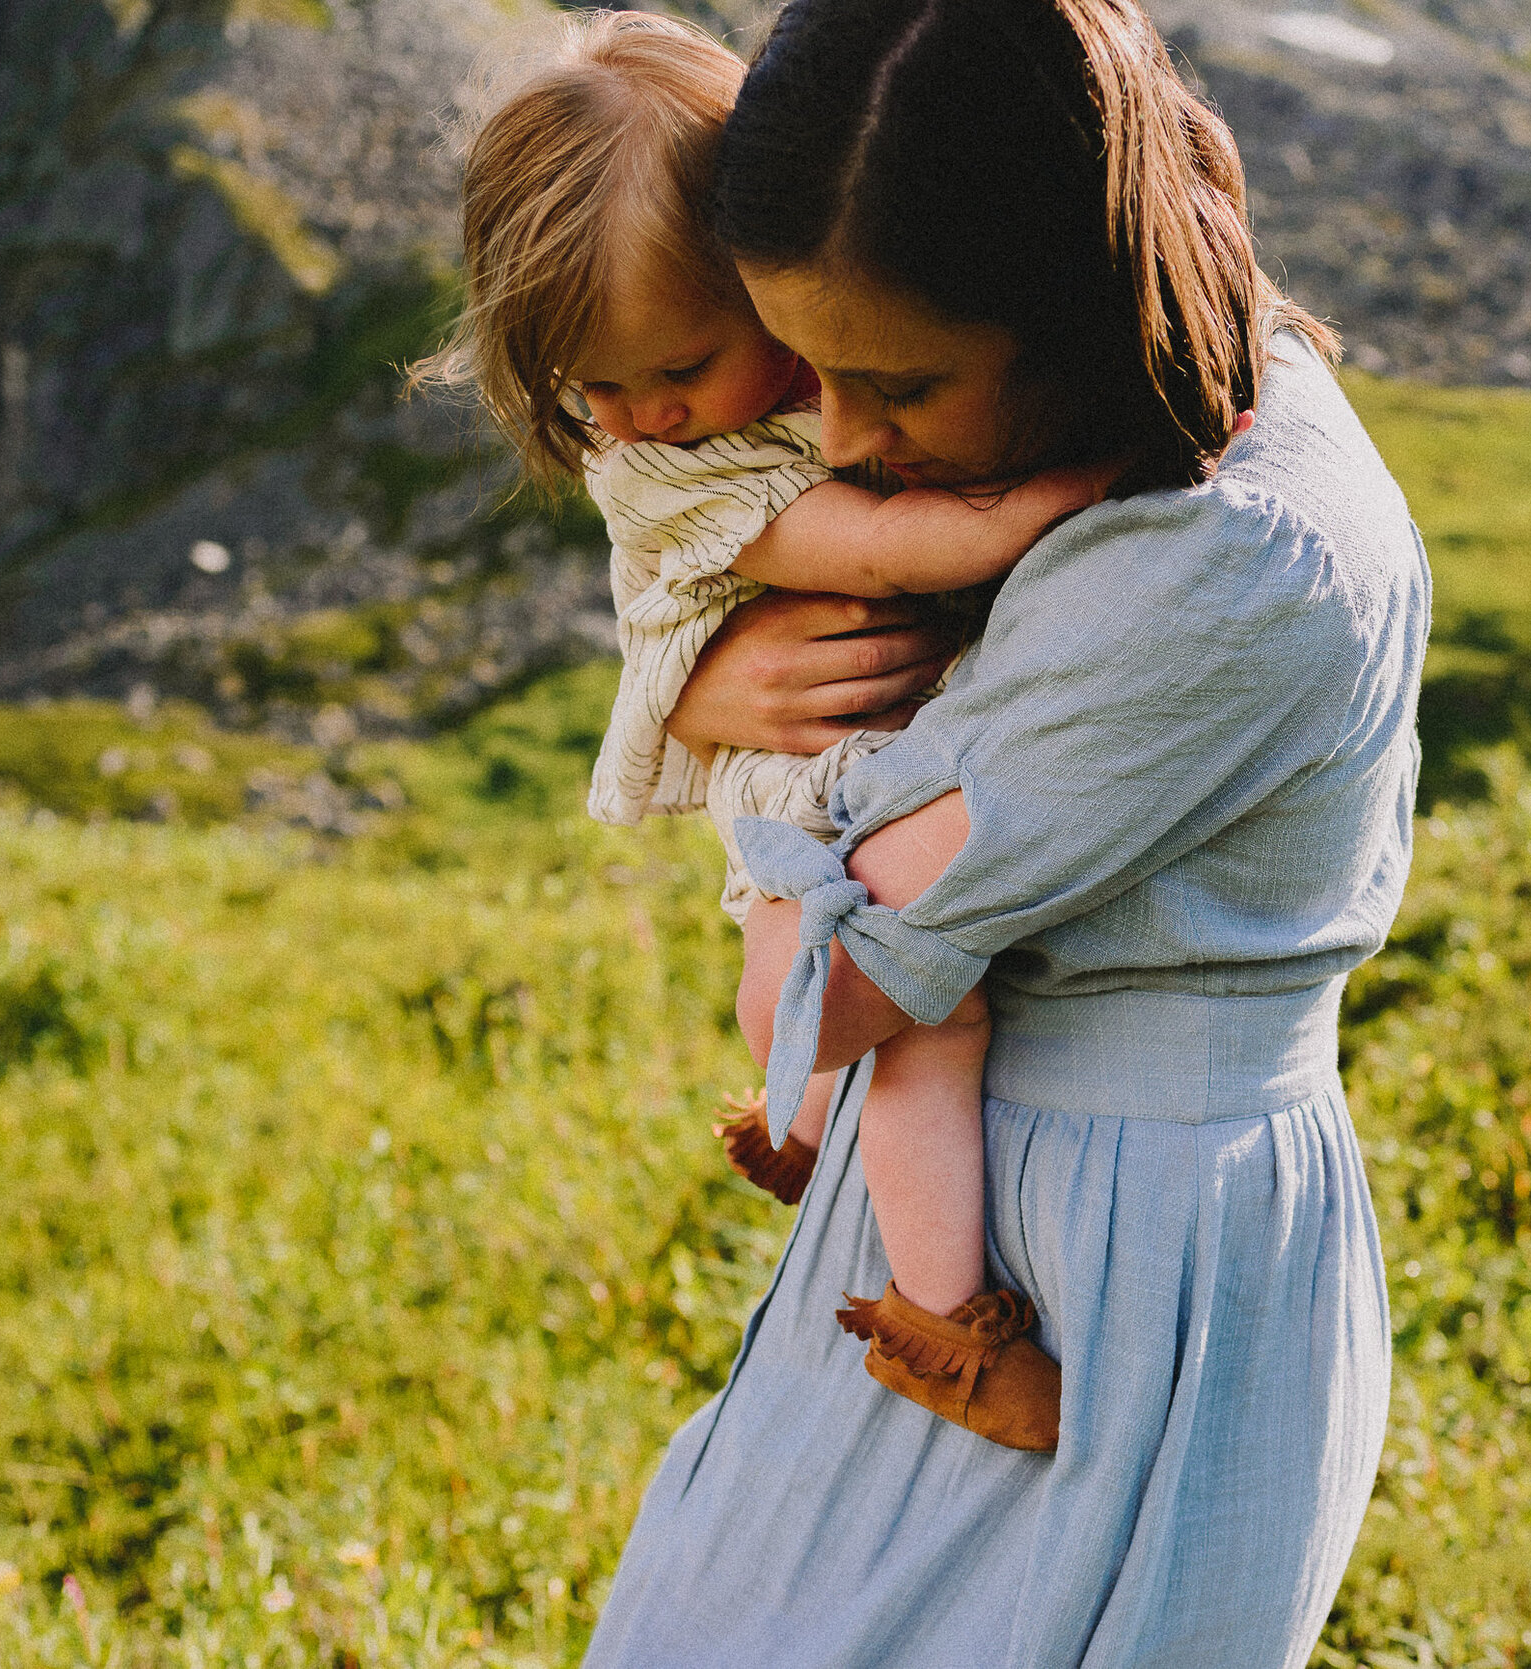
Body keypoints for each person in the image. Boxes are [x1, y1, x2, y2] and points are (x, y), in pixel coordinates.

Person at [581, 0, 1432, 1662]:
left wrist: (729, 724)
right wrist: (708, 671)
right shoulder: (1145, 419)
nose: (835, 443)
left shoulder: (1230, 562)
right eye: (806, 370)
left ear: (1068, 305)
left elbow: (820, 998)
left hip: (1123, 1279)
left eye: (896, 382)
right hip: (1013, 1220)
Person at [416, 9, 1108, 1448]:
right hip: (811, 820)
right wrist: (1059, 500)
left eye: (674, 363)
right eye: (593, 389)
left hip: (887, 771)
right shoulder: (658, 471)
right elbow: (881, 549)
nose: (641, 411)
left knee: (894, 1005)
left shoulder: (817, 350)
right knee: (925, 1023)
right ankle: (943, 1324)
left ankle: (793, 1125)